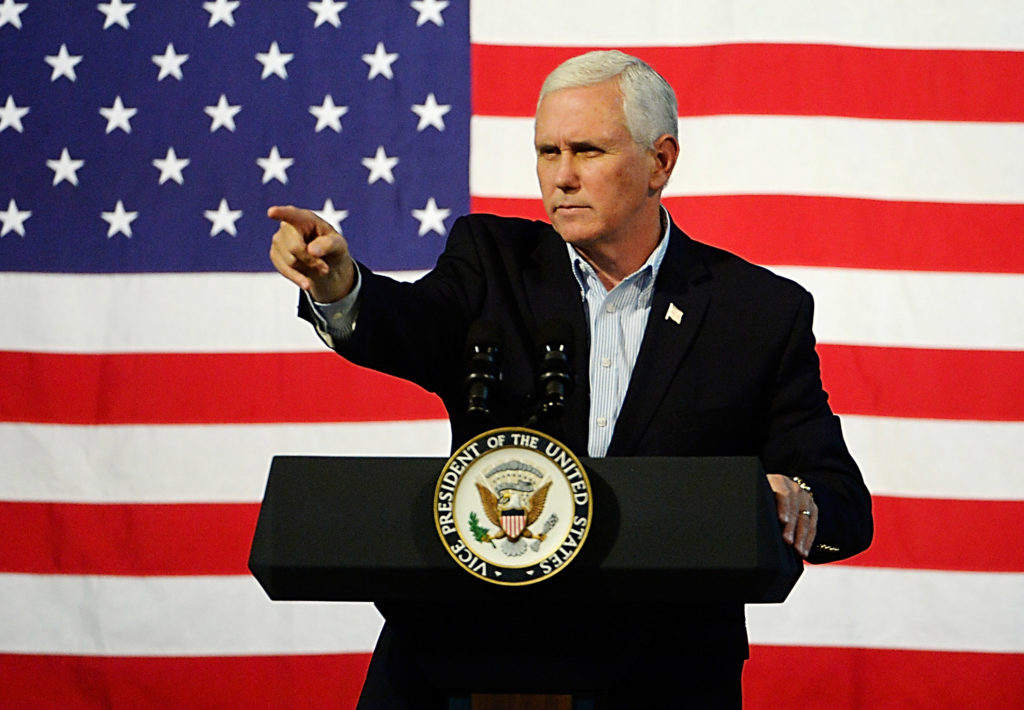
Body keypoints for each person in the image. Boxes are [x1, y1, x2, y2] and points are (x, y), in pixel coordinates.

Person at [268, 50, 872, 709]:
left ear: (660, 162)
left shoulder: (754, 313)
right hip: (466, 656)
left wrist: (791, 497)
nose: (561, 178)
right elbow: (408, 324)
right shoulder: (490, 262)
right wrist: (342, 288)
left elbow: (841, 499)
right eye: (546, 152)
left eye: (586, 151)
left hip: (662, 676)